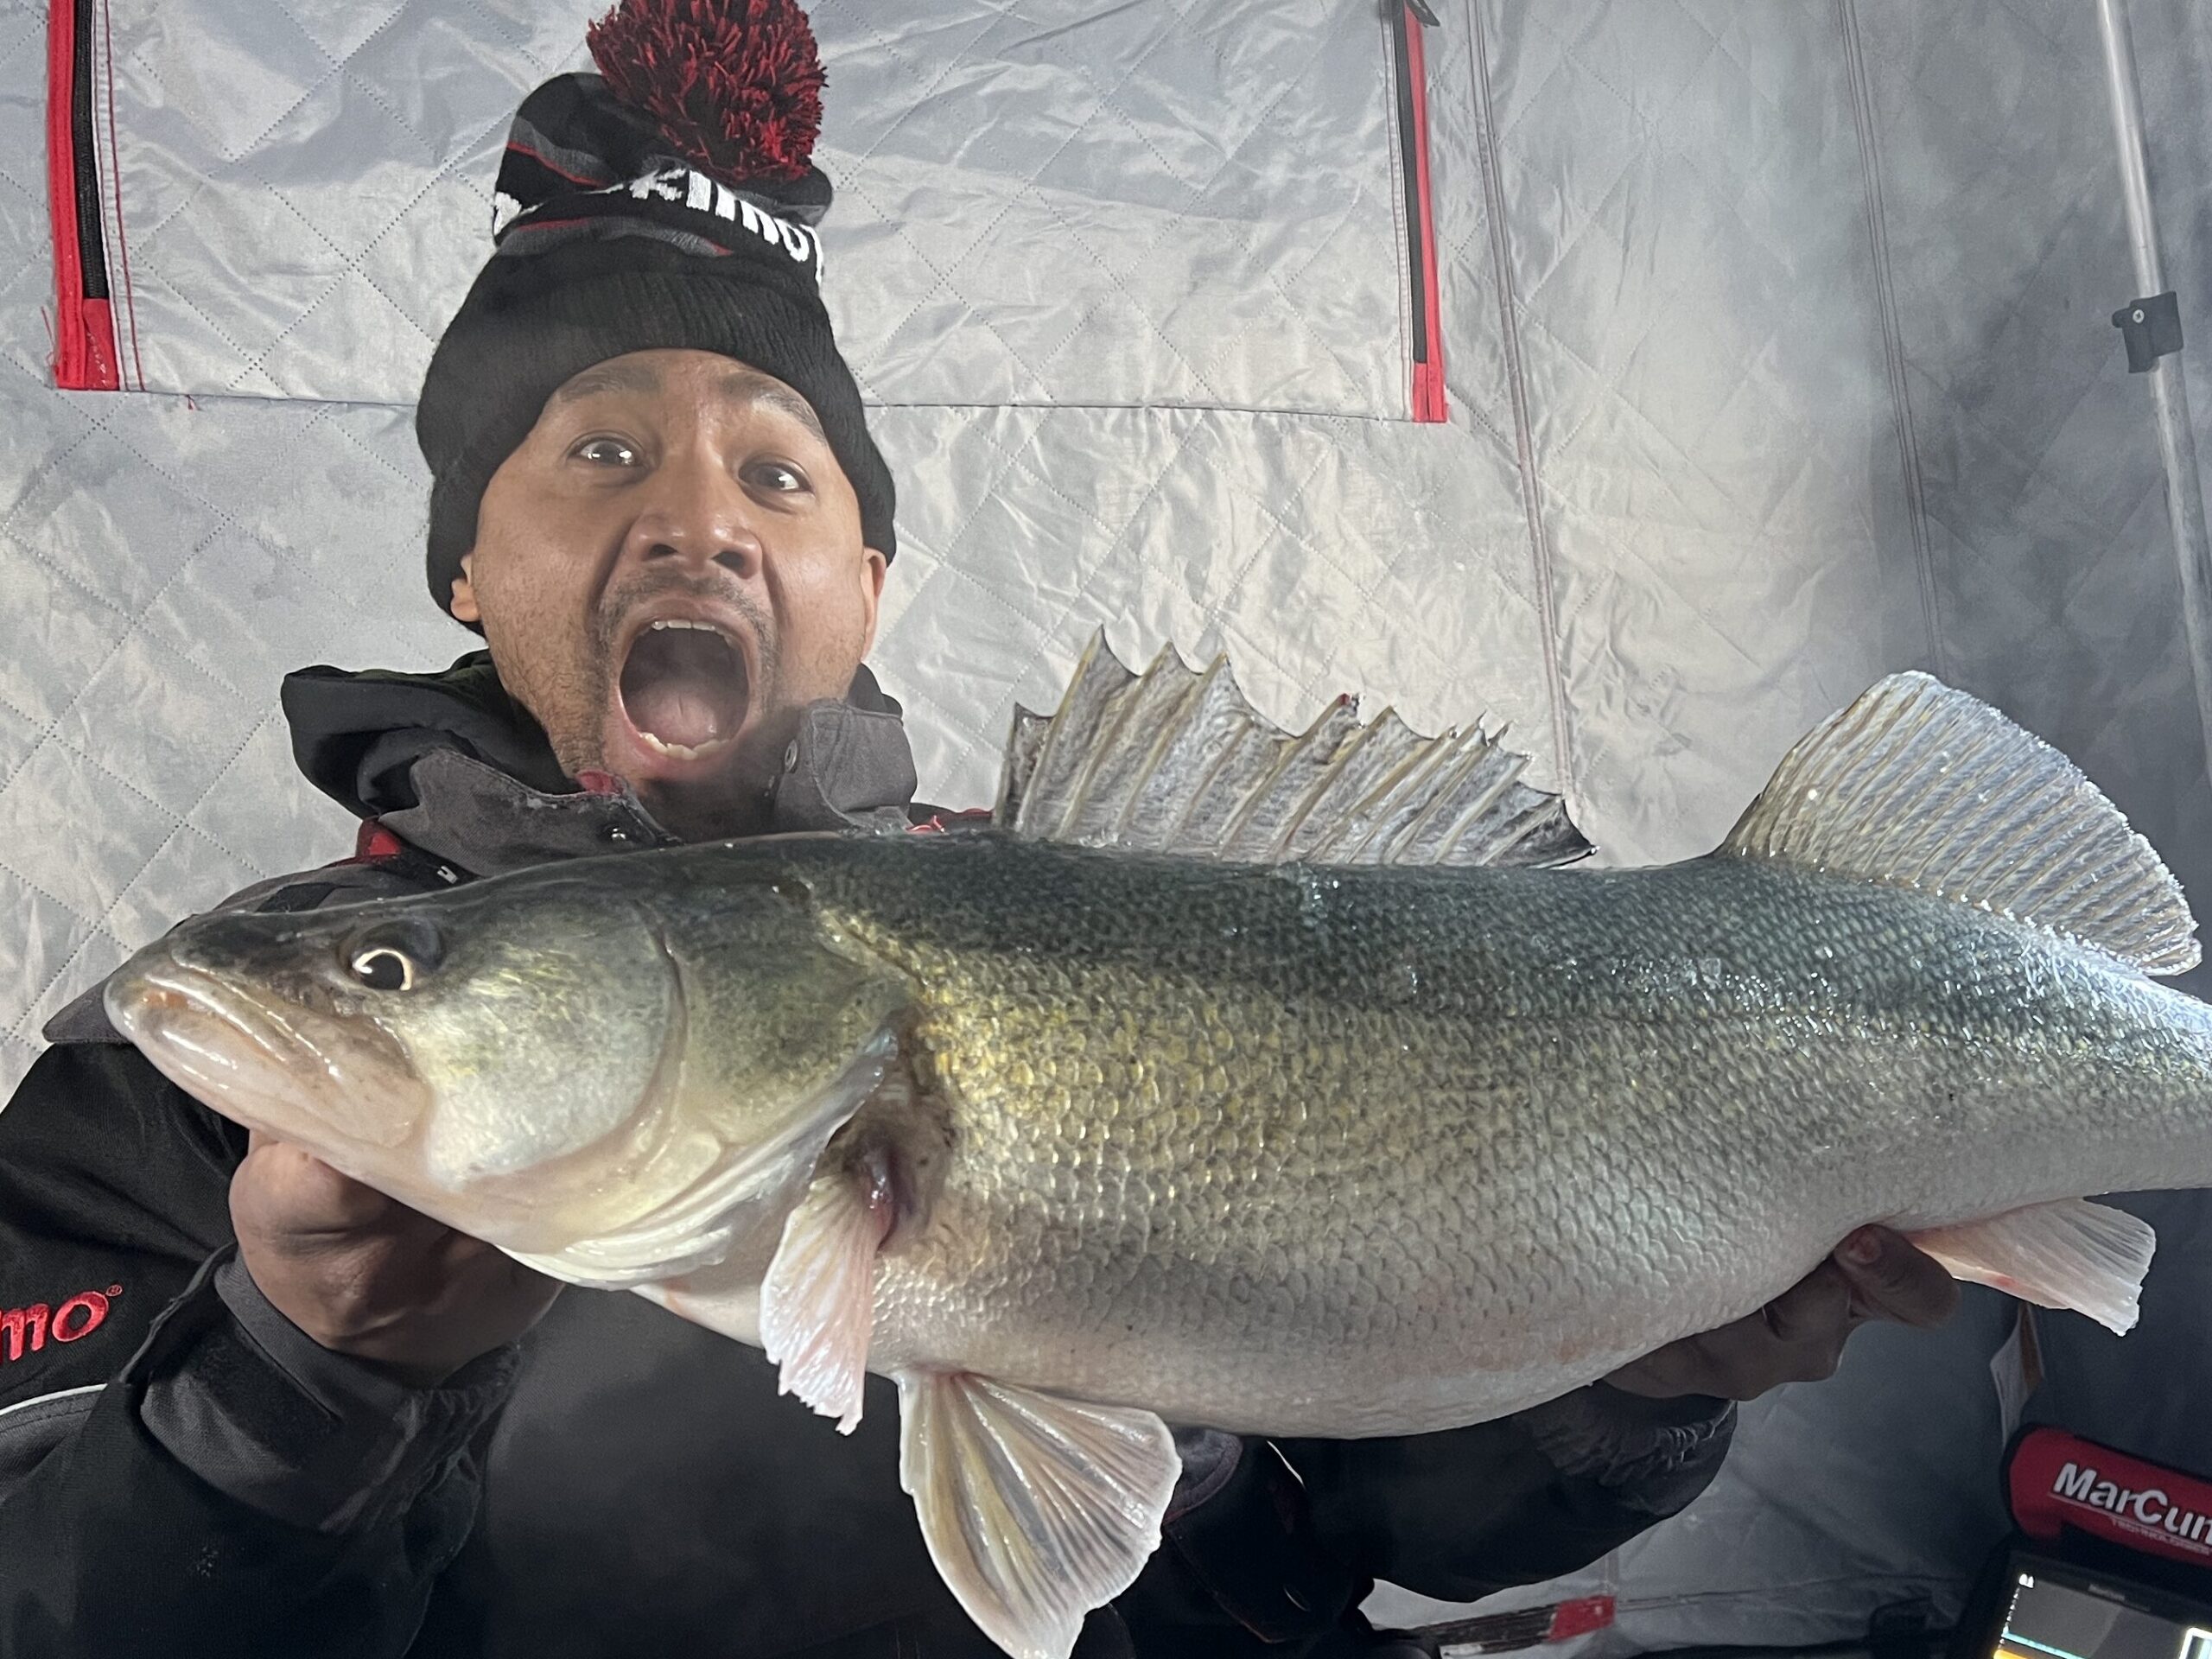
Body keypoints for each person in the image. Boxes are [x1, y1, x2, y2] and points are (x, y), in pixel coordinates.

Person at [0, 3, 1959, 1655]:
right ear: (464, 563)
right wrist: (299, 1376)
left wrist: (1627, 1383)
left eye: (779, 474)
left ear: (865, 584)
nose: (697, 520)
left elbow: (1369, 1526)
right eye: (597, 449)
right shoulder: (189, 1092)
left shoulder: (1124, 904)